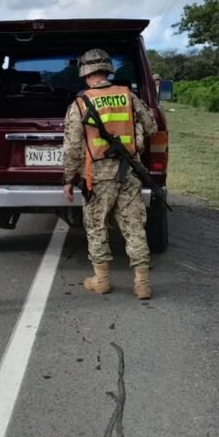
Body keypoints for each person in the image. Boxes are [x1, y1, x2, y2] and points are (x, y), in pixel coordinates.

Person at [62, 49, 158, 299]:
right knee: (134, 226)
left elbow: (72, 146)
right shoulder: (129, 96)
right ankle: (142, 284)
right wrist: (134, 128)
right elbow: (152, 126)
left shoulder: (80, 103)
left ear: (85, 74)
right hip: (129, 173)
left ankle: (102, 279)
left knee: (96, 227)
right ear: (108, 70)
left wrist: (69, 179)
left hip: (97, 176)